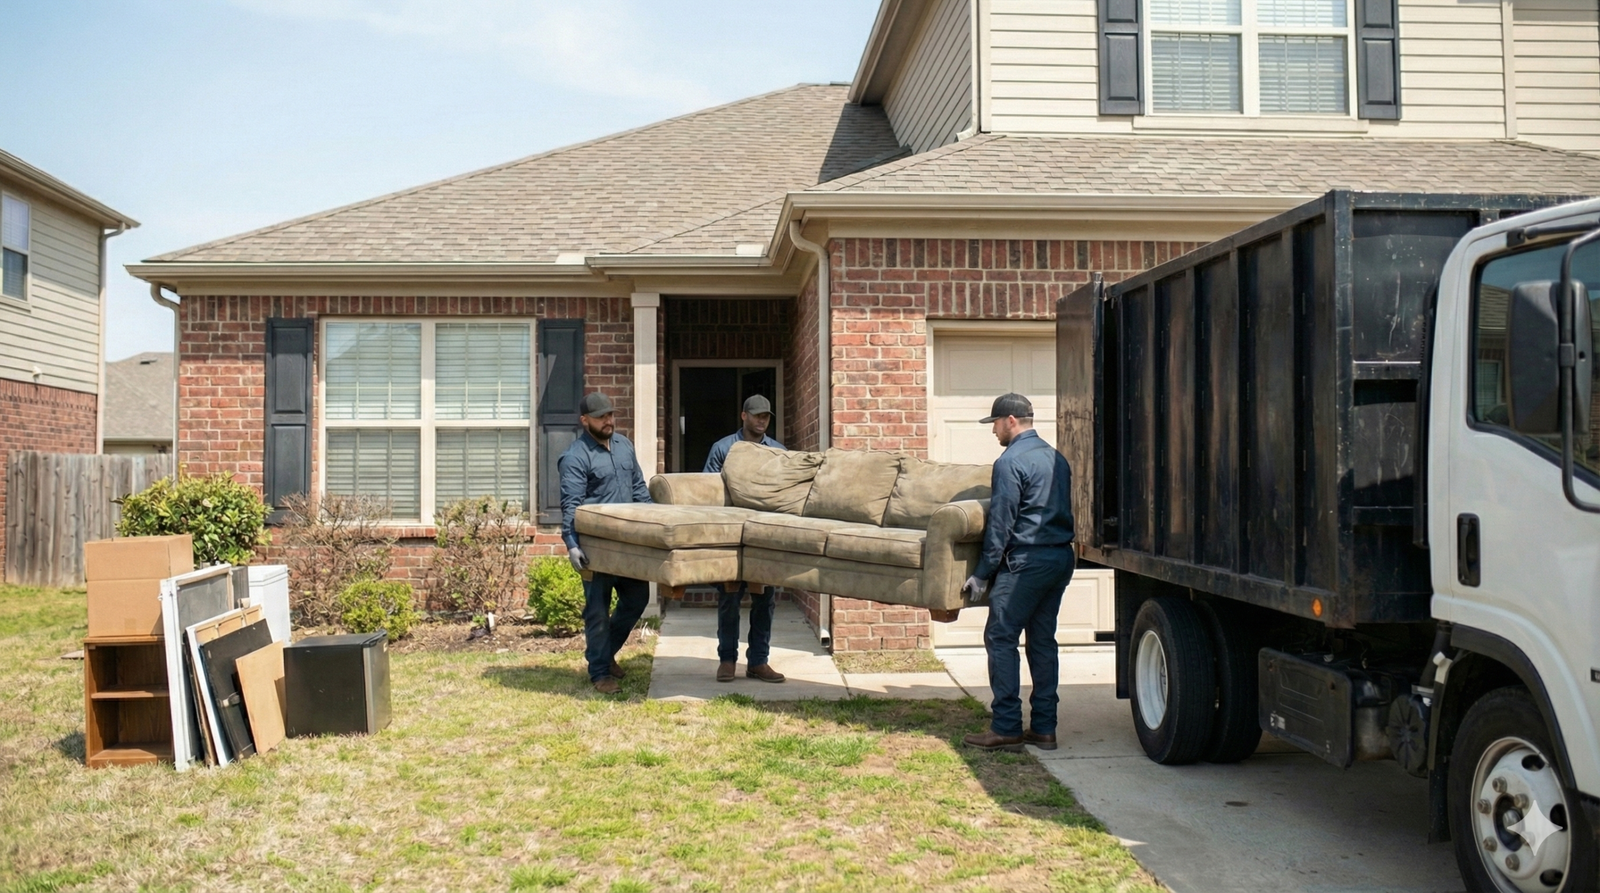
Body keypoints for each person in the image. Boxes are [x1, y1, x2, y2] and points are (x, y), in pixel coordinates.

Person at [960, 393, 1076, 753]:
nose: (993, 430)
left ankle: (1007, 726)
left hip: (1025, 563)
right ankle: (1044, 729)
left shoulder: (1010, 461)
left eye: (994, 423)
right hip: (1059, 559)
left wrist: (982, 573)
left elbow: (1001, 523)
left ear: (1011, 420)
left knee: (1001, 637)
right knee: (1042, 642)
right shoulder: (1056, 458)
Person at [558, 392, 654, 694]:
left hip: (627, 543)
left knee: (637, 599)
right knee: (597, 610)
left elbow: (639, 488)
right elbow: (570, 505)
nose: (609, 421)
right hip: (594, 547)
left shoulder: (625, 446)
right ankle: (600, 674)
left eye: (611, 415)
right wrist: (571, 543)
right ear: (585, 421)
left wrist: (651, 523)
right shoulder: (575, 457)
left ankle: (604, 652)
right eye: (601, 417)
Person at [703, 394, 787, 684]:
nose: (762, 420)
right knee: (729, 597)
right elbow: (708, 493)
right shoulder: (723, 448)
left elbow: (785, 496)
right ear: (744, 416)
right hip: (730, 535)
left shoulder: (778, 452)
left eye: (766, 416)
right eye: (756, 415)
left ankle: (759, 662)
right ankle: (727, 660)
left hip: (764, 537)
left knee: (765, 601)